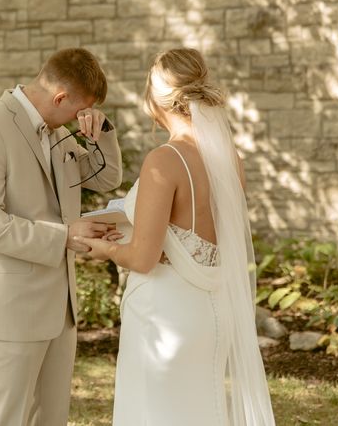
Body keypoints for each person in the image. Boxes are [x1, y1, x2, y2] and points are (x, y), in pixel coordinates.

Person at [77, 47, 276, 426]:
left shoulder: (164, 160)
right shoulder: (229, 159)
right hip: (209, 313)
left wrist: (100, 247)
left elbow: (142, 258)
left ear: (155, 101)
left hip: (162, 317)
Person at [0, 47, 122, 426]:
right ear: (60, 97)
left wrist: (103, 129)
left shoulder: (58, 131)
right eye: (79, 110)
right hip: (9, 311)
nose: (79, 120)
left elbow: (106, 177)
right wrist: (63, 235)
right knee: (5, 420)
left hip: (59, 312)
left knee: (52, 420)